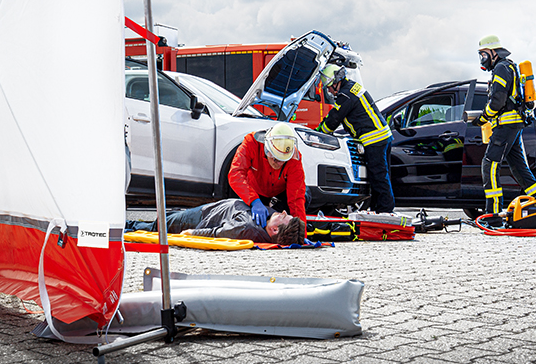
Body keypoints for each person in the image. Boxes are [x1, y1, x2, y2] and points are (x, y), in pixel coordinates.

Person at [473, 35, 536, 227]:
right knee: (519, 168)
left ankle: (493, 216)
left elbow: (497, 100)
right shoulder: (507, 67)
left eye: (483, 55)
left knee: (490, 164)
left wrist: (482, 118)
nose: (482, 59)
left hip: (507, 125)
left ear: (493, 52)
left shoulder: (501, 68)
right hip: (512, 125)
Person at [316, 64, 395, 213]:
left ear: (335, 81)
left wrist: (320, 132)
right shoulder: (352, 88)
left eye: (329, 87)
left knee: (378, 177)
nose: (329, 91)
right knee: (381, 177)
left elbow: (334, 119)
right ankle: (379, 210)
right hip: (383, 136)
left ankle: (385, 212)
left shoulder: (345, 95)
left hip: (374, 139)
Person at [125, 198, 306, 245]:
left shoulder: (247, 228)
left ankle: (125, 229)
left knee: (157, 226)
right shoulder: (267, 223)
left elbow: (217, 233)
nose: (281, 212)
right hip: (209, 211)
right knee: (163, 220)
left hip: (200, 219)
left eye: (283, 216)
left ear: (274, 230)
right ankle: (126, 226)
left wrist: (192, 234)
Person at [228, 123, 308, 227]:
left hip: (281, 191)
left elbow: (296, 199)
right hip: (255, 190)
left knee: (305, 196)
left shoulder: (294, 158)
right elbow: (235, 174)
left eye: (284, 160)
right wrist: (253, 200)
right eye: (276, 159)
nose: (280, 164)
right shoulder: (251, 143)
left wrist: (301, 233)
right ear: (267, 150)